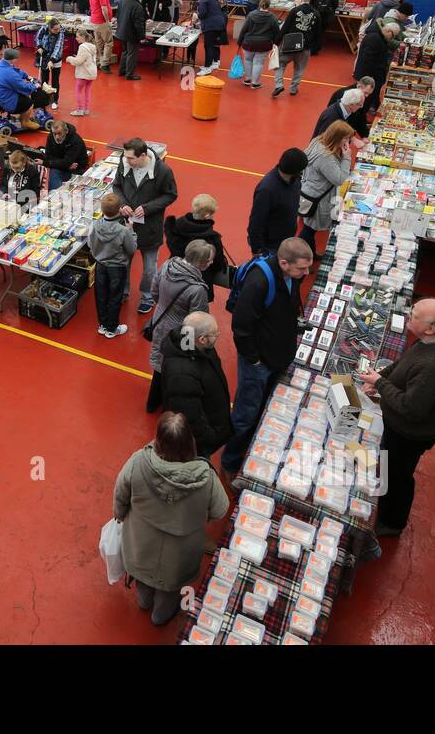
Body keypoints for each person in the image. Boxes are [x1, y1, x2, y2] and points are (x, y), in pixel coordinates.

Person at [358, 298, 435, 537]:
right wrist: (380, 377)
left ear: (430, 328)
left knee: (398, 476)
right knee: (391, 465)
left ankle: (392, 523)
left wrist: (381, 384)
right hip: (401, 427)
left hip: (409, 434)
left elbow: (411, 409)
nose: (408, 314)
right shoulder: (431, 342)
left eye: (414, 315)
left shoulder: (434, 368)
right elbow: (404, 363)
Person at [113, 411, 229, 626]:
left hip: (141, 543)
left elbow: (120, 494)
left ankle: (144, 601)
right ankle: (160, 616)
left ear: (158, 440)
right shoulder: (207, 478)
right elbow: (220, 510)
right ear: (190, 442)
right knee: (170, 589)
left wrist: (120, 515)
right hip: (180, 554)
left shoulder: (137, 462)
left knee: (142, 577)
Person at [220, 237, 314, 482]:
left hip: (278, 354)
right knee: (246, 413)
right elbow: (241, 327)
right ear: (284, 263)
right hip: (259, 362)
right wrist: (254, 360)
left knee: (265, 404)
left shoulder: (291, 276)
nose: (306, 273)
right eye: (302, 268)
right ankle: (230, 460)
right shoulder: (259, 283)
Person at [112, 137, 178, 314]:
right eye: (125, 157)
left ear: (142, 156)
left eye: (131, 158)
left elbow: (171, 195)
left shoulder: (162, 171)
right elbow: (117, 186)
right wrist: (123, 204)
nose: (126, 160)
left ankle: (147, 296)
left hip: (150, 227)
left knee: (149, 268)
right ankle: (123, 292)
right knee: (123, 263)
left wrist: (147, 208)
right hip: (127, 225)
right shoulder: (124, 163)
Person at [146, 239, 214, 413]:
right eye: (209, 260)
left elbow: (154, 291)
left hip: (160, 322)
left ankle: (152, 402)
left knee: (160, 362)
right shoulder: (197, 289)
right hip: (182, 334)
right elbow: (197, 321)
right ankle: (170, 408)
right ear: (201, 263)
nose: (211, 262)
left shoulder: (167, 266)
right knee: (179, 369)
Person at [160, 311, 232, 458]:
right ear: (202, 339)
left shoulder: (201, 349)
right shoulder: (182, 375)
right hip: (200, 444)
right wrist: (212, 438)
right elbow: (191, 420)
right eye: (215, 334)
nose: (217, 335)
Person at [298, 121, 354, 256]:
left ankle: (310, 253)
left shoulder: (318, 141)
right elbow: (339, 179)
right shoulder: (325, 157)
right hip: (319, 198)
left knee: (309, 227)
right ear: (337, 137)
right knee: (309, 229)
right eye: (346, 138)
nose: (348, 141)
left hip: (311, 191)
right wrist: (347, 158)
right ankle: (302, 255)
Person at [88, 193, 136, 339]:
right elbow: (132, 249)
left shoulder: (94, 225)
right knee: (115, 297)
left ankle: (103, 324)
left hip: (100, 265)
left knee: (101, 295)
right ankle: (112, 328)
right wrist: (131, 230)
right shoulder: (123, 231)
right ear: (119, 210)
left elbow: (90, 244)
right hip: (117, 268)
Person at [164, 193, 227, 301]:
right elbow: (218, 263)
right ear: (207, 216)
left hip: (176, 273)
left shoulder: (176, 226)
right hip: (200, 279)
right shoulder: (211, 238)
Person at [247, 147, 307, 256]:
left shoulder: (295, 180)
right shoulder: (267, 190)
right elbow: (256, 224)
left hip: (286, 239)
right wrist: (258, 251)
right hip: (270, 246)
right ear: (295, 171)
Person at [272, 0, 321, 96]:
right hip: (305, 46)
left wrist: (276, 42)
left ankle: (279, 84)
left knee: (280, 64)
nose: (296, 1)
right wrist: (313, 47)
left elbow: (285, 28)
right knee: (299, 68)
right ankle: (293, 88)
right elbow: (318, 33)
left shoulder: (294, 11)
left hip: (289, 44)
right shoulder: (316, 14)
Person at [0, 49, 43, 131]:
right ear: (12, 59)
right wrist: (35, 86)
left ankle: (23, 116)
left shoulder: (1, 65)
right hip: (7, 101)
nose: (17, 60)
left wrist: (27, 76)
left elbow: (15, 70)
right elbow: (23, 86)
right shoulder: (9, 73)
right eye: (16, 58)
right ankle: (25, 121)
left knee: (23, 95)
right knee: (29, 101)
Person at [235, 0, 280, 90]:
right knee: (258, 63)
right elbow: (276, 31)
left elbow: (244, 29)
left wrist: (240, 41)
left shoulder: (251, 15)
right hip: (264, 44)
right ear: (269, 5)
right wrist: (276, 43)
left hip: (248, 42)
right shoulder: (272, 17)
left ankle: (248, 79)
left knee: (248, 60)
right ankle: (255, 83)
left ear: (259, 4)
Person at [355, 20, 401, 112]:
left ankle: (367, 109)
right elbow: (367, 59)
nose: (392, 38)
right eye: (393, 36)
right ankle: (363, 112)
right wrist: (370, 77)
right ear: (389, 32)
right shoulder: (375, 38)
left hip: (372, 74)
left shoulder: (378, 37)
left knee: (368, 96)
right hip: (369, 75)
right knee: (365, 97)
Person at [43, 117, 87, 195]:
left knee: (54, 172)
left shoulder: (76, 141)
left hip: (77, 170)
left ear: (66, 131)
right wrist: (65, 165)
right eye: (54, 134)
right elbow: (48, 157)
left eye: (59, 133)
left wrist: (62, 163)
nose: (57, 137)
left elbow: (65, 162)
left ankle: (56, 197)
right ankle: (54, 197)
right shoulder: (50, 137)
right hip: (61, 168)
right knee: (53, 172)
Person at [115, 0, 147, 81]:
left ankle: (122, 70)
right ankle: (129, 74)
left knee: (125, 52)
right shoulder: (138, 6)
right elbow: (138, 24)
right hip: (131, 34)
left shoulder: (124, 0)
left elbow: (118, 15)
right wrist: (142, 37)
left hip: (122, 31)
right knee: (132, 54)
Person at [64, 27, 97, 117]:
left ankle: (79, 110)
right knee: (87, 91)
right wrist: (77, 57)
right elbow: (86, 58)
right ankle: (86, 109)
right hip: (91, 73)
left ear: (83, 37)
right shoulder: (92, 46)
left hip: (83, 73)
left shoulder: (82, 47)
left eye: (77, 36)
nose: (76, 38)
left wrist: (69, 58)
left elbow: (78, 61)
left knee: (78, 91)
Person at [195, 0, 226, 75]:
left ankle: (207, 67)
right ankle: (215, 62)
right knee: (215, 44)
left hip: (211, 25)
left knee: (208, 46)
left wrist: (197, 16)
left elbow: (202, 14)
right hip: (220, 23)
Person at [86, 0, 116, 74]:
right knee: (108, 42)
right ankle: (105, 64)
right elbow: (104, 8)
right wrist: (107, 20)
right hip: (102, 21)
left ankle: (98, 61)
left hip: (94, 20)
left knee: (98, 42)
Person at [34, 17, 65, 101]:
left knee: (55, 81)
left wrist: (52, 60)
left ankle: (55, 100)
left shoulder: (61, 32)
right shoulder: (44, 28)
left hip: (56, 58)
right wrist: (39, 47)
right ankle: (45, 98)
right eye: (55, 29)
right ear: (50, 28)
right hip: (44, 56)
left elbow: (58, 47)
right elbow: (37, 37)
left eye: (59, 28)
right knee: (44, 80)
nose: (58, 30)